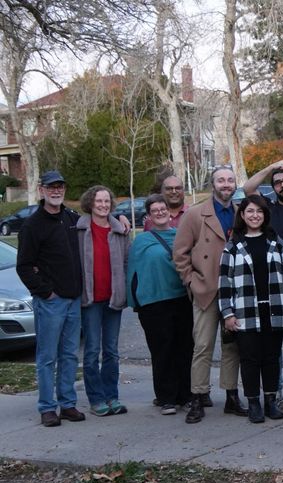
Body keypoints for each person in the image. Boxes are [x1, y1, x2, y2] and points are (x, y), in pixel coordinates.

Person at [174, 165, 246, 423]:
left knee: (232, 348)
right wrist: (191, 280)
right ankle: (198, 396)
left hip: (234, 291)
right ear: (212, 184)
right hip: (206, 289)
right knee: (202, 346)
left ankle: (231, 396)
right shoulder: (195, 214)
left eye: (230, 180)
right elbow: (180, 253)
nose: (226, 184)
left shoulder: (240, 213)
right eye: (221, 180)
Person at [15, 170, 87, 427]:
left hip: (73, 299)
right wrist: (46, 291)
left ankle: (67, 404)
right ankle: (47, 407)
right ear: (41, 190)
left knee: (69, 354)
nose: (56, 191)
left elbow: (97, 224)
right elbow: (24, 266)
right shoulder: (33, 225)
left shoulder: (71, 218)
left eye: (60, 186)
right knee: (47, 357)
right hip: (50, 302)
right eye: (51, 187)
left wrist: (120, 220)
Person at [219, 194, 283, 423]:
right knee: (250, 359)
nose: (255, 215)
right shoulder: (233, 246)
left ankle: (270, 401)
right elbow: (224, 282)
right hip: (245, 313)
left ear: (265, 215)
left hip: (274, 310)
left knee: (272, 358)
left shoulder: (277, 242)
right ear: (242, 215)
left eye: (259, 211)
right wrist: (228, 313)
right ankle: (253, 402)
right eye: (250, 211)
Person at [244, 162, 283, 401]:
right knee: (272, 342)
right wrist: (272, 166)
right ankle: (275, 387)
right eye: (278, 182)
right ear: (273, 187)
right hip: (271, 287)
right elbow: (248, 187)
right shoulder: (268, 209)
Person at [127, 194, 194, 415]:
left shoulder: (182, 236)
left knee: (184, 348)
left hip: (181, 299)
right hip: (153, 303)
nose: (159, 212)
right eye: (154, 210)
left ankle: (186, 395)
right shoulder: (141, 241)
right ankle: (166, 397)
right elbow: (133, 273)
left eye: (162, 208)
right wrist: (134, 300)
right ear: (148, 215)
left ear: (169, 211)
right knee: (162, 350)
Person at [76, 185, 131, 417]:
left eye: (107, 201)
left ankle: (112, 396)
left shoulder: (120, 230)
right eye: (98, 201)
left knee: (111, 351)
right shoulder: (78, 229)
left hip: (113, 300)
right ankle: (96, 398)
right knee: (91, 352)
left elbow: (128, 262)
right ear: (90, 202)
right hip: (90, 299)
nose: (103, 205)